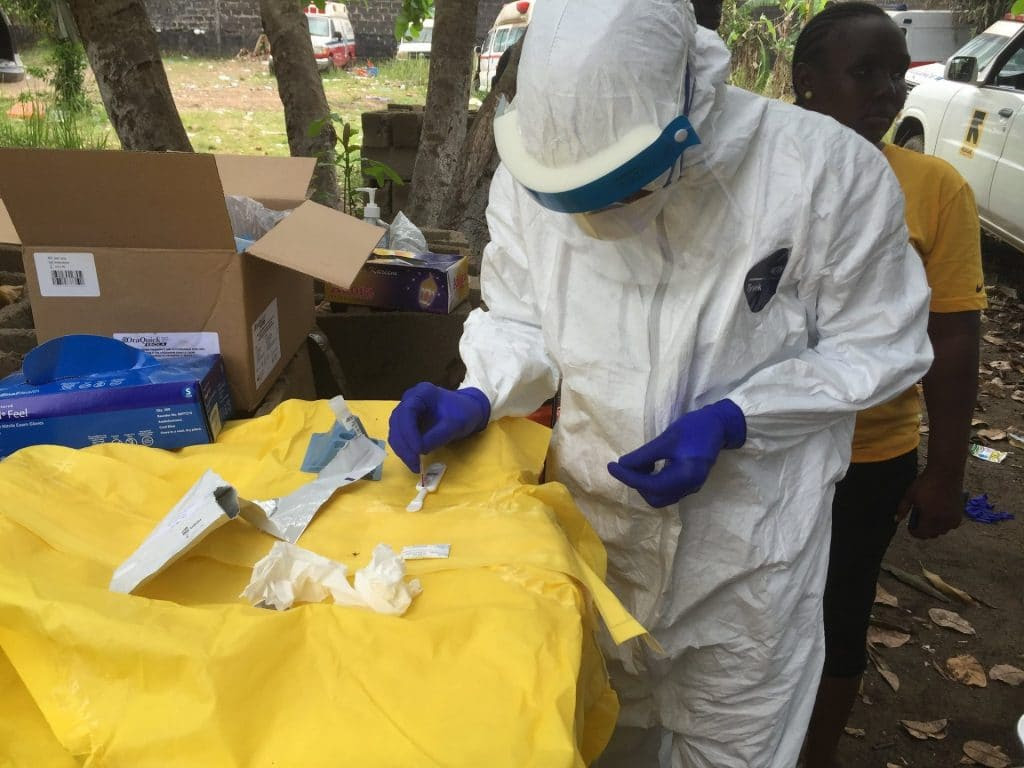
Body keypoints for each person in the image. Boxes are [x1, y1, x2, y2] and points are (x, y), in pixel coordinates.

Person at [388, 1, 933, 765]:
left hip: (747, 555)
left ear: (685, 111)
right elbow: (521, 316)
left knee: (734, 744)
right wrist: (482, 390)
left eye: (619, 188)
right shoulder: (531, 171)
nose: (599, 215)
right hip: (596, 540)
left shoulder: (823, 173)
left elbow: (880, 341)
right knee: (597, 733)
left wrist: (737, 419)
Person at [790, 5, 986, 766]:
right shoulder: (763, 170)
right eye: (863, 72)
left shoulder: (934, 189)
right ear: (806, 84)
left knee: (837, 616)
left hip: (867, 454)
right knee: (752, 607)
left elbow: (954, 334)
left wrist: (944, 471)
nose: (887, 91)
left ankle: (815, 754)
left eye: (896, 75)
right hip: (759, 448)